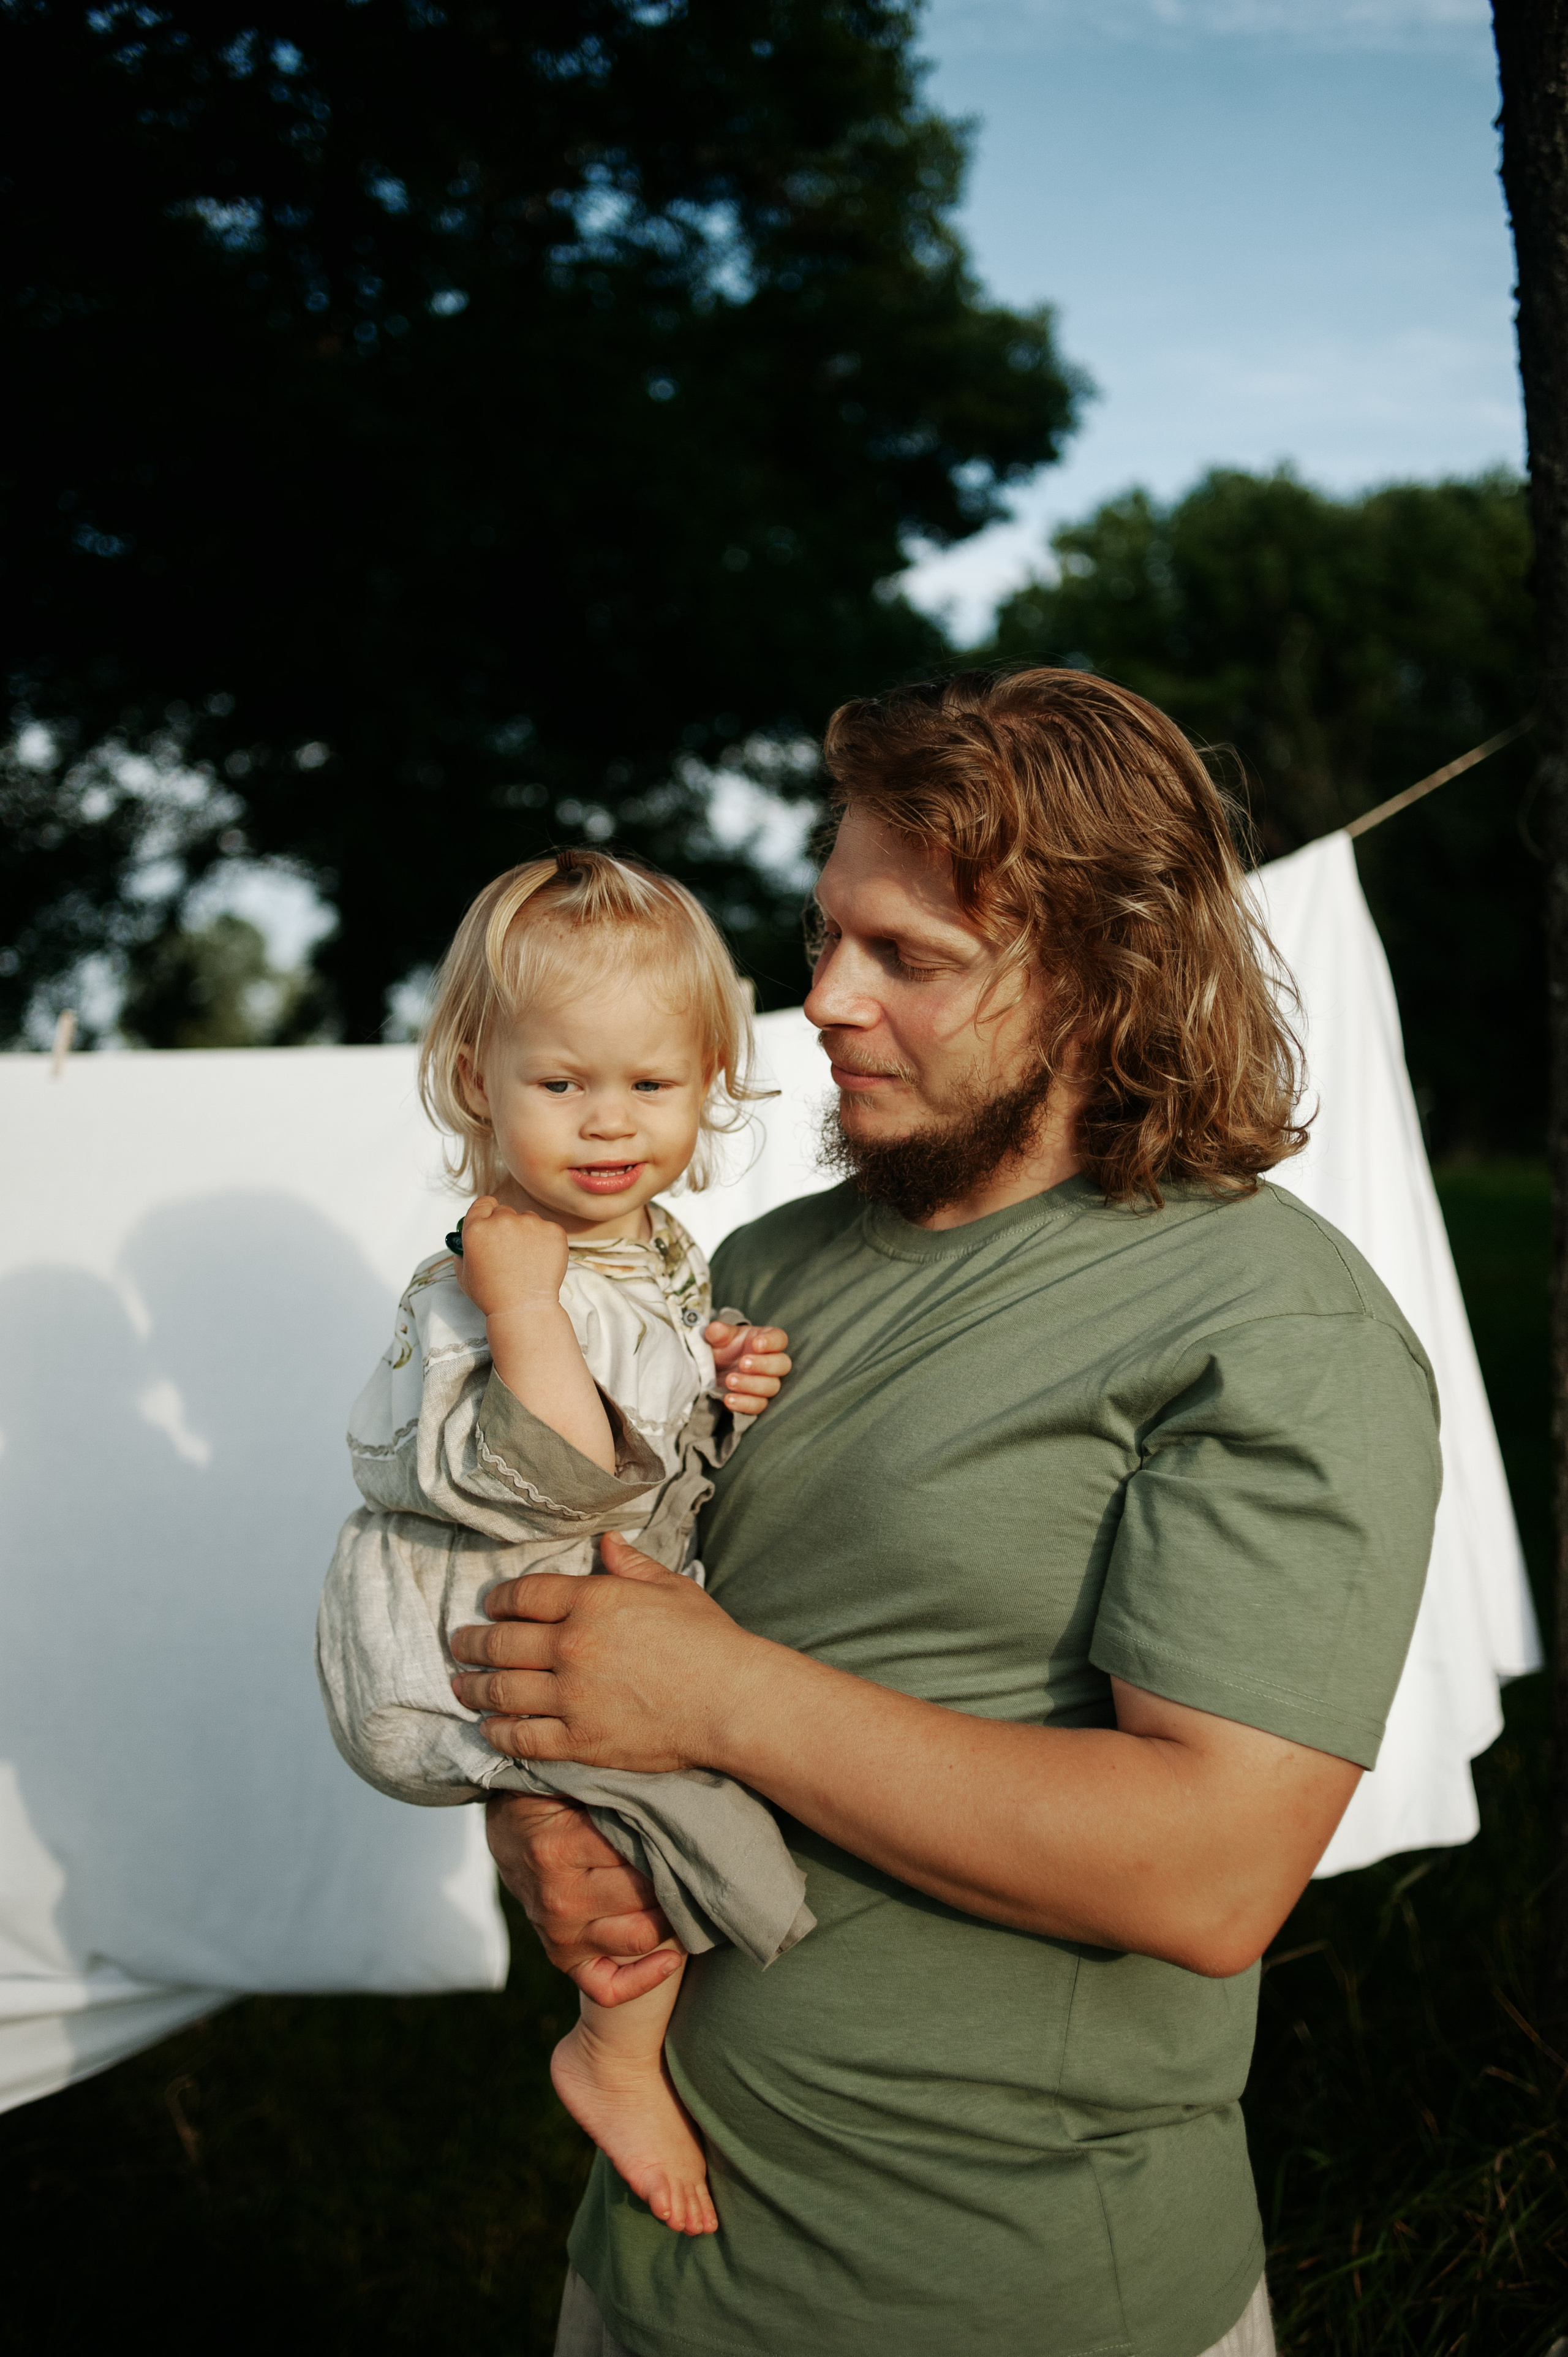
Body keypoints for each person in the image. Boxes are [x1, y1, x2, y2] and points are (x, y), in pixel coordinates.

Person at [456, 669, 1443, 2357]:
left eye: (905, 957)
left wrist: (717, 1695)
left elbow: (1210, 1873)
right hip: (652, 2269)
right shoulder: (757, 1271)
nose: (822, 999)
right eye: (828, 932)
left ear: (1101, 979)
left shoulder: (1266, 1316)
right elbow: (589, 1613)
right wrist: (539, 1830)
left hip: (1008, 2292)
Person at [315, 849, 801, 2239]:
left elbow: (639, 1398)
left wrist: (714, 1375)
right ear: (479, 1081)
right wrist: (524, 1310)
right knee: (681, 1841)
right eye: (563, 1083)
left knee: (694, 1823)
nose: (609, 1121)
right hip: (473, 1650)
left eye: (651, 1084)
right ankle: (611, 2051)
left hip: (556, 1619)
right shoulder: (493, 1273)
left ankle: (637, 2041)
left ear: (711, 1080)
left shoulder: (646, 1247)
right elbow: (560, 1469)